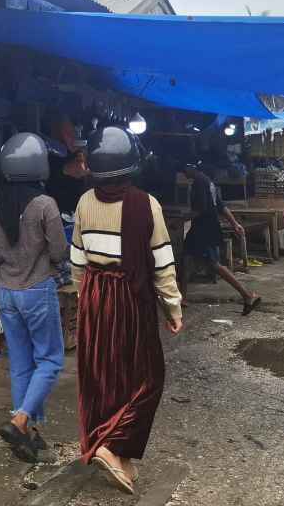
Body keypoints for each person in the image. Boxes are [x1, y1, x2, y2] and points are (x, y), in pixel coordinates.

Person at [70, 125, 183, 495]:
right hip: (130, 297)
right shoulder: (147, 204)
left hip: (95, 295)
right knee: (147, 377)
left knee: (103, 377)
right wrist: (173, 307)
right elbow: (163, 264)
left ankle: (119, 453)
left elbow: (77, 263)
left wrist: (86, 298)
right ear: (132, 165)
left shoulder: (85, 202)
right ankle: (107, 444)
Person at [0, 132, 66, 463]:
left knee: (20, 363)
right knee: (50, 360)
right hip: (35, 289)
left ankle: (29, 434)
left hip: (5, 290)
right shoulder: (45, 204)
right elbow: (60, 250)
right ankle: (20, 421)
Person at [181, 162, 261, 315]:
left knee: (213, 264)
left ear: (191, 168)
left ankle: (247, 295)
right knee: (186, 259)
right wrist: (235, 224)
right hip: (207, 227)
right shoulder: (208, 181)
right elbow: (221, 206)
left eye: (185, 169)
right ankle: (182, 297)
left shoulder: (199, 182)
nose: (184, 173)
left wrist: (179, 219)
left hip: (202, 229)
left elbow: (200, 210)